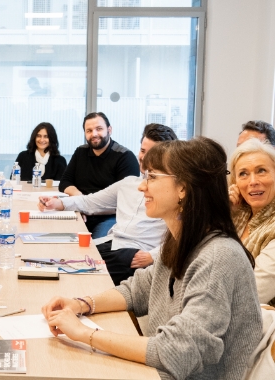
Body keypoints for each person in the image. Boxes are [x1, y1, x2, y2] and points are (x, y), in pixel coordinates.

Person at [42, 137, 262, 380]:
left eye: (153, 177)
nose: (142, 187)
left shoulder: (218, 257)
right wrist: (81, 304)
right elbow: (137, 289)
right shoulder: (181, 241)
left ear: (183, 188)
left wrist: (83, 334)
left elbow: (177, 352)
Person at [38, 124, 177, 285]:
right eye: (143, 151)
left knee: (72, 272)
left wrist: (152, 256)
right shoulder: (128, 183)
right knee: (63, 258)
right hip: (112, 243)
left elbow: (183, 237)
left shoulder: (173, 193)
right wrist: (58, 203)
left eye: (152, 153)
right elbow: (91, 201)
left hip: (136, 254)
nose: (144, 157)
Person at [58, 112, 139, 238]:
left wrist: (86, 206)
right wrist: (81, 202)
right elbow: (65, 182)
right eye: (89, 131)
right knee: (55, 234)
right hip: (80, 211)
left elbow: (126, 200)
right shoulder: (81, 152)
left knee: (97, 246)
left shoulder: (125, 157)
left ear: (109, 130)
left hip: (109, 217)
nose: (94, 134)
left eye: (99, 129)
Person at [229, 138, 275, 306]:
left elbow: (252, 294)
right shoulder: (237, 214)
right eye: (243, 174)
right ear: (235, 183)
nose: (253, 181)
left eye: (261, 170)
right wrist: (222, 213)